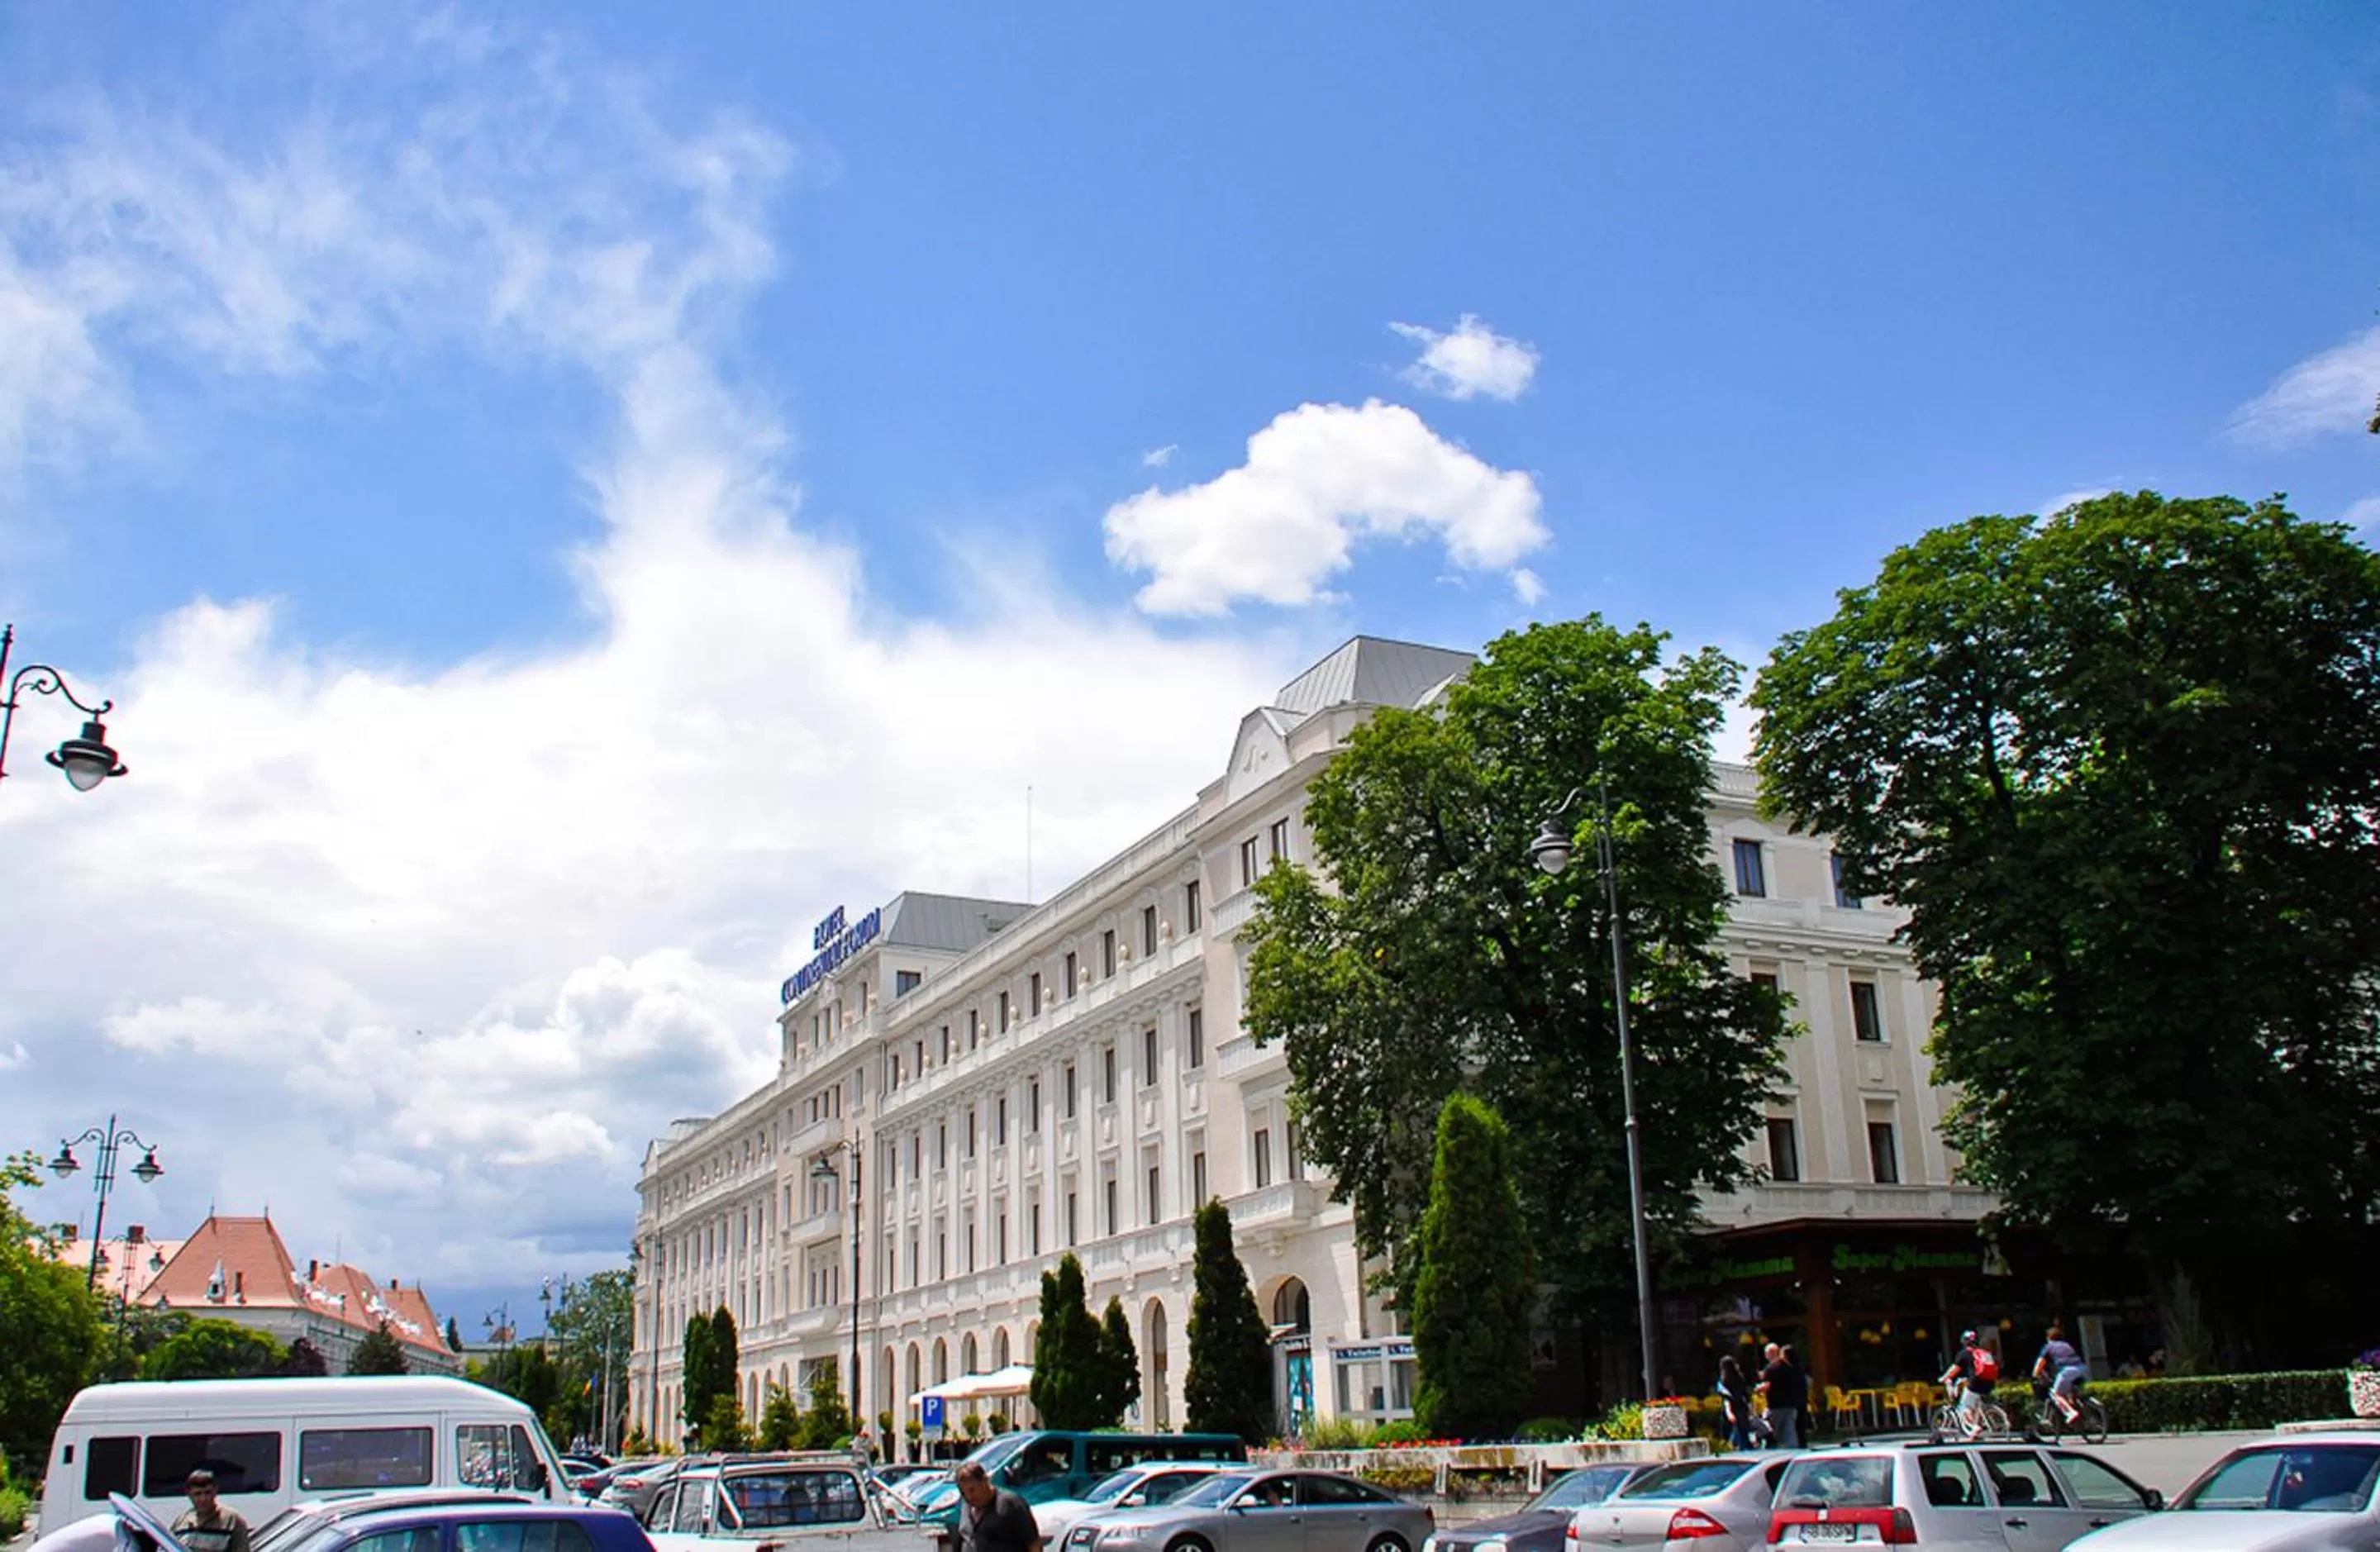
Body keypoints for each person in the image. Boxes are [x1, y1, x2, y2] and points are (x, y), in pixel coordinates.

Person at [954, 1462, 1042, 1552]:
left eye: (972, 1490)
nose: (969, 1497)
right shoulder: (966, 1507)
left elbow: (1033, 1543)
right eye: (963, 1493)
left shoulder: (1010, 1503)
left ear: (985, 1481)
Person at [1939, 1331, 2001, 1440]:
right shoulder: (1983, 1352)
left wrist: (1943, 1378)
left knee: (1965, 1406)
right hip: (1990, 1382)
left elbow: (1955, 1369)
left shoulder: (1964, 1353)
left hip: (1976, 1382)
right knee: (1976, 1405)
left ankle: (1974, 1428)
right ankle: (1976, 1433)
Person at [171, 1471, 254, 1552]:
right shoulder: (181, 1522)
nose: (203, 1499)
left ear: (215, 1491)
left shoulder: (232, 1520)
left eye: (207, 1493)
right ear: (189, 1494)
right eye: (197, 1494)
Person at [1758, 1342, 1807, 1450]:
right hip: (1791, 1405)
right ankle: (1793, 1452)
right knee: (1790, 1433)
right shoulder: (1790, 1368)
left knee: (1772, 1433)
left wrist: (1757, 1389)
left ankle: (1770, 1453)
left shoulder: (1771, 1369)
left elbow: (1767, 1386)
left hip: (1776, 1406)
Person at [2034, 1323, 2087, 1422]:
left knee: (2056, 1394)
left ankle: (2071, 1413)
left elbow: (2040, 1364)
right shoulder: (2067, 1345)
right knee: (2068, 1390)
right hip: (2081, 1368)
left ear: (2048, 1338)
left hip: (2067, 1370)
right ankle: (2077, 1407)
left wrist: (2036, 1375)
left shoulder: (2048, 1347)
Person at [1716, 1354, 1758, 1450]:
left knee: (1730, 1435)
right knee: (1744, 1433)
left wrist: (1729, 1412)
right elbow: (1746, 1395)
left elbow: (1726, 1398)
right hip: (1742, 1409)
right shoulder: (1740, 1378)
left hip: (1731, 1411)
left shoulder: (1723, 1382)